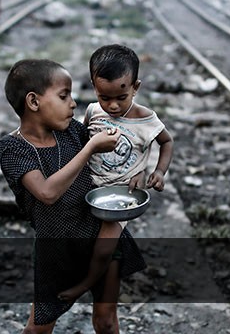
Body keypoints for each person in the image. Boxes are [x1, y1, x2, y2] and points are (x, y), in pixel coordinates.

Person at [0, 60, 147, 333]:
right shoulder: (14, 148)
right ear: (33, 101)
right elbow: (47, 193)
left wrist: (139, 156)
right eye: (64, 95)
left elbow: (116, 149)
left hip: (99, 235)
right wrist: (90, 149)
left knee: (106, 320)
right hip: (57, 250)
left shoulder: (72, 133)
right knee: (39, 327)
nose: (73, 104)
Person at [57, 44, 173, 303]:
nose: (112, 106)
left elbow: (167, 142)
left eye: (121, 98)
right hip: (87, 188)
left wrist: (158, 171)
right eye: (103, 97)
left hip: (120, 197)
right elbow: (81, 140)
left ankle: (84, 285)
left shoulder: (146, 120)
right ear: (94, 87)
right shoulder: (91, 111)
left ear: (136, 87)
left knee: (102, 249)